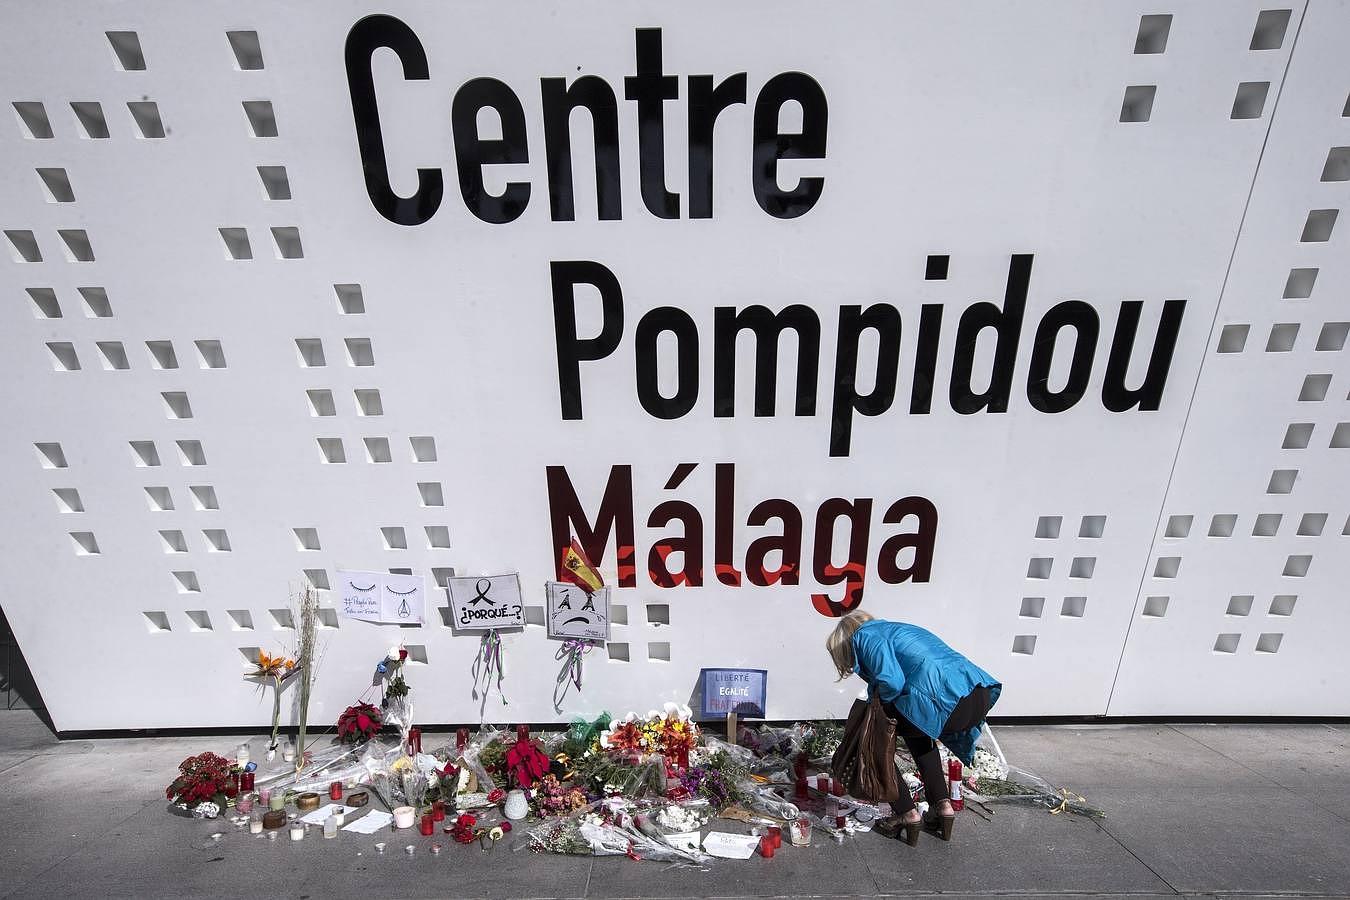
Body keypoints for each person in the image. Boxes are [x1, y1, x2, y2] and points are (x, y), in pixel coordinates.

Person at [826, 610, 1001, 845]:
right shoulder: (896, 628)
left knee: (872, 744)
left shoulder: (865, 637)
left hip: (945, 701)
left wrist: (879, 711)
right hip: (973, 694)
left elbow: (891, 681)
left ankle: (907, 813)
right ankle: (943, 805)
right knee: (917, 733)